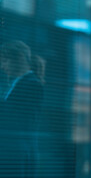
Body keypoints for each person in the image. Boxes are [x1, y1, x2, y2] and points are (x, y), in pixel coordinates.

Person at [0, 40, 44, 177]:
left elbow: (20, 120)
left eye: (4, 61)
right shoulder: (17, 83)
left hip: (19, 152)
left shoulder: (32, 84)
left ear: (19, 58)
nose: (2, 67)